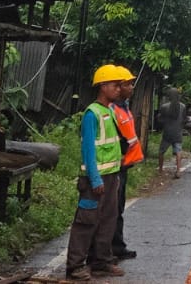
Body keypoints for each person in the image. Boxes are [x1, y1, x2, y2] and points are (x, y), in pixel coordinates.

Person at [66, 64, 130, 280]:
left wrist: (116, 175)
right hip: (96, 178)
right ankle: (75, 266)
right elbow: (88, 151)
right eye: (115, 85)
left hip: (111, 176)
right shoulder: (92, 114)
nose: (119, 89)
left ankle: (101, 262)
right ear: (103, 86)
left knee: (107, 220)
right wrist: (95, 179)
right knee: (86, 221)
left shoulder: (109, 110)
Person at [107, 76, 144, 263]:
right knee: (111, 209)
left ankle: (117, 247)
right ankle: (106, 252)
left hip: (124, 165)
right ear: (119, 87)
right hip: (115, 165)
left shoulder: (124, 107)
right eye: (128, 84)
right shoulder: (112, 109)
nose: (132, 87)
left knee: (118, 207)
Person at [156, 88, 185, 179]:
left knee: (161, 152)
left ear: (169, 96)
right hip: (177, 132)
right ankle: (178, 170)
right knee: (178, 151)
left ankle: (160, 170)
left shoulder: (164, 107)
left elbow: (160, 120)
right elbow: (183, 119)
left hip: (167, 133)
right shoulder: (182, 106)